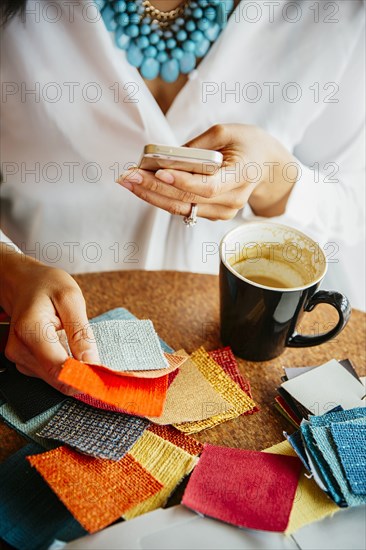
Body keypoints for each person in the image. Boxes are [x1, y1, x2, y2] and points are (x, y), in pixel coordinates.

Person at [1, 0, 364, 394]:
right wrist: (9, 271)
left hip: (233, 358)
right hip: (42, 339)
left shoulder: (339, 12)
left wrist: (274, 177)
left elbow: (352, 202)